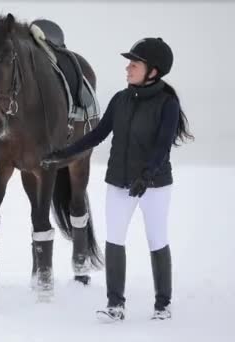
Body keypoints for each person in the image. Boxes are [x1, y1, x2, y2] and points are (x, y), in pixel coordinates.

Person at [41, 37, 193, 322]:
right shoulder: (120, 100)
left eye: (134, 63)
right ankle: (115, 305)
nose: (128, 68)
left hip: (155, 185)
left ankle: (162, 305)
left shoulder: (167, 104)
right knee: (115, 240)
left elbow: (162, 146)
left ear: (153, 71)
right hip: (119, 182)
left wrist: (147, 176)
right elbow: (97, 135)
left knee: (157, 239)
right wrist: (62, 154)